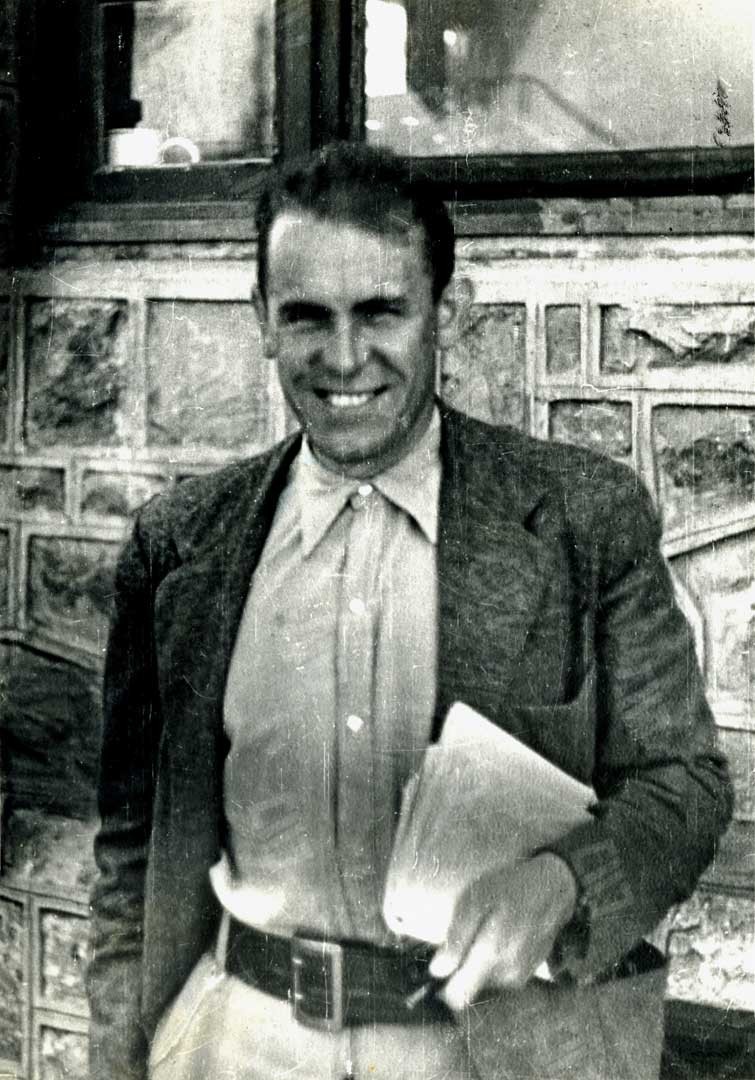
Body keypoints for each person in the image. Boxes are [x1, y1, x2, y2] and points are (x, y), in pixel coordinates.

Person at [87, 142, 732, 1080]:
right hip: (234, 1044)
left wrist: (562, 882)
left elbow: (684, 786)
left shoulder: (579, 521)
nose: (344, 357)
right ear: (262, 319)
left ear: (447, 313)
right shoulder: (181, 544)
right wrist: (119, 1058)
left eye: (381, 311)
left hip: (494, 1053)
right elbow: (131, 849)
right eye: (306, 316)